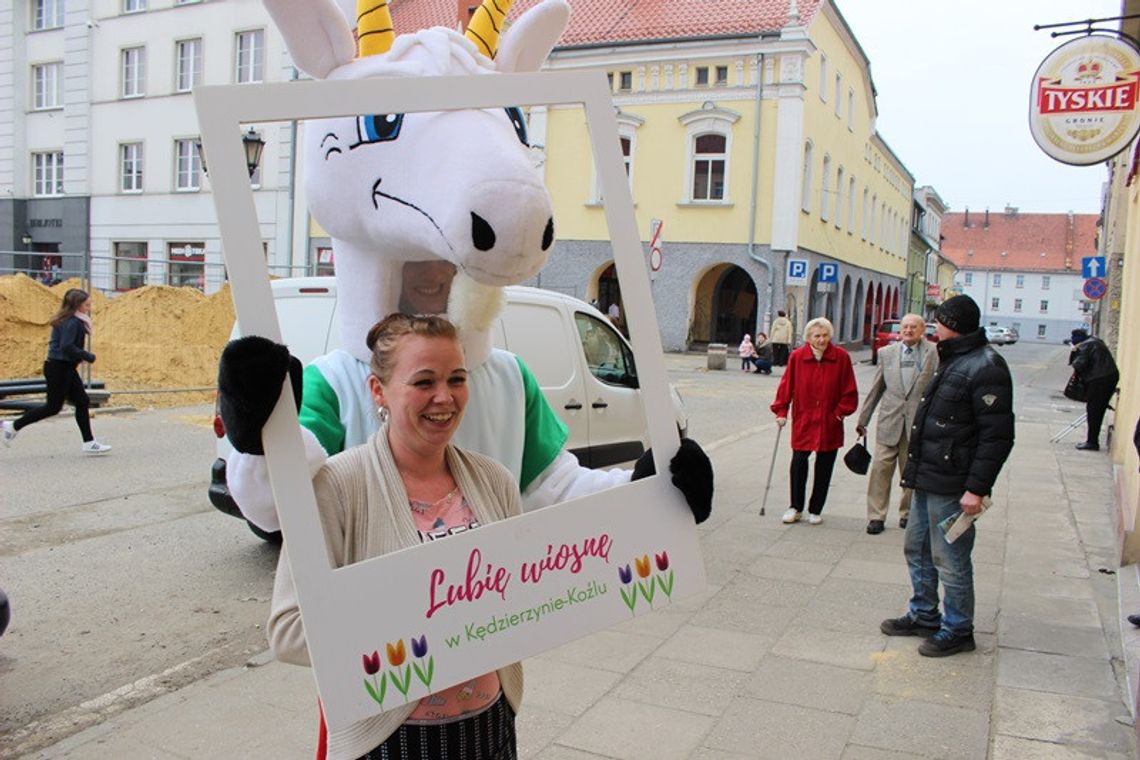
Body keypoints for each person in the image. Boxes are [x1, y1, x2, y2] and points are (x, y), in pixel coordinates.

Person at [268, 314, 524, 759]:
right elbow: (289, 630)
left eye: (456, 379)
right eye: (423, 381)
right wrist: (426, 626)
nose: (444, 397)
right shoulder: (337, 486)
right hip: (388, 739)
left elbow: (523, 593)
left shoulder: (495, 480)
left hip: (491, 726)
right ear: (377, 390)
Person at [881, 294, 1014, 657]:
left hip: (954, 484)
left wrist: (976, 489)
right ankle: (924, 613)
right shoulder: (952, 358)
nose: (934, 327)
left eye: (938, 321)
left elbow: (997, 437)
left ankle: (958, 628)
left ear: (952, 324)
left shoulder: (986, 366)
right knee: (917, 548)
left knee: (950, 557)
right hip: (929, 476)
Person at [1, 288, 111, 454]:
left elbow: (66, 347)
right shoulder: (72, 322)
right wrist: (87, 356)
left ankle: (89, 442)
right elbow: (66, 347)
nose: (89, 307)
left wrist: (77, 356)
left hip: (64, 366)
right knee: (53, 407)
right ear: (77, 305)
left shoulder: (70, 319)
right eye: (87, 304)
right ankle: (14, 425)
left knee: (82, 401)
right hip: (59, 368)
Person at [855, 314, 938, 535]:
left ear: (922, 330)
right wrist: (863, 420)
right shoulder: (887, 353)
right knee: (880, 469)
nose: (908, 330)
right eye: (905, 327)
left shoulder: (933, 353)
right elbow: (876, 389)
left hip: (917, 424)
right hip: (889, 421)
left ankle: (907, 514)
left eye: (913, 327)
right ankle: (876, 516)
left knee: (910, 473)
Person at [770, 317, 858, 525]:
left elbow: (850, 391)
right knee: (799, 462)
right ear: (808, 338)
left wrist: (840, 412)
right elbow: (786, 386)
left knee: (825, 465)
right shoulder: (797, 357)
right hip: (805, 418)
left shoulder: (841, 357)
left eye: (825, 335)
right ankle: (795, 507)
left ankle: (815, 508)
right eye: (817, 336)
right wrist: (781, 410)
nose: (821, 339)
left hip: (829, 420)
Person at [1068, 328, 1119, 452]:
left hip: (1099, 379)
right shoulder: (1095, 341)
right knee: (1096, 408)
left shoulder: (1086, 345)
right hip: (1107, 377)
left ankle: (1092, 442)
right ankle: (1092, 440)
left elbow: (1078, 365)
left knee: (1094, 410)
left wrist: (1074, 352)